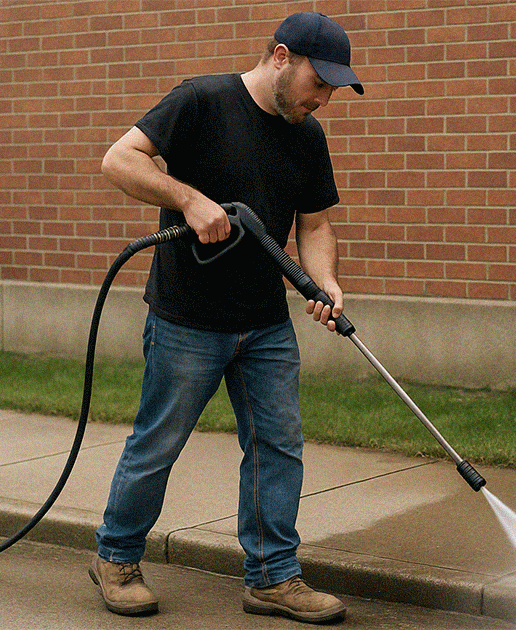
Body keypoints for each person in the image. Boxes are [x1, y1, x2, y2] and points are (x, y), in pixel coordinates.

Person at [89, 12, 363, 625]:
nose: (323, 99)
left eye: (332, 90)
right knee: (159, 442)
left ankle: (272, 577)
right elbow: (118, 159)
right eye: (319, 83)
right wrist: (188, 198)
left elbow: (315, 224)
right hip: (188, 317)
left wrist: (326, 281)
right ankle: (117, 558)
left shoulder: (306, 134)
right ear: (281, 57)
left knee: (277, 446)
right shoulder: (202, 100)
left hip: (265, 321)